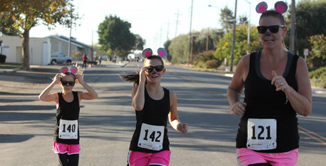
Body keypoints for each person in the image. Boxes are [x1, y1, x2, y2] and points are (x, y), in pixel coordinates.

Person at [227, 3, 312, 165]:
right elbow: (232, 89)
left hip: (285, 147)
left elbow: (306, 109)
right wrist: (234, 103)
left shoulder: (298, 64)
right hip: (250, 146)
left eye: (273, 29)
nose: (268, 33)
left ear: (284, 31)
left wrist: (288, 90)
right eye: (262, 29)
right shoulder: (247, 62)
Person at [120, 48, 188, 166]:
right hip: (139, 148)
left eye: (158, 68)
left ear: (163, 71)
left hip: (161, 148)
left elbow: (173, 118)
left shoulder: (170, 96)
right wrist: (141, 82)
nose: (154, 71)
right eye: (149, 69)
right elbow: (139, 106)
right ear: (144, 71)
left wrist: (179, 126)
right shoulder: (137, 90)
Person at [38, 66, 98, 166]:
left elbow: (94, 95)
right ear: (61, 83)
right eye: (65, 82)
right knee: (64, 164)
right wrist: (53, 82)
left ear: (74, 84)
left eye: (71, 83)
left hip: (73, 137)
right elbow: (42, 97)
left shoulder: (78, 95)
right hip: (60, 136)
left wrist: (82, 82)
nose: (68, 85)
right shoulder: (57, 96)